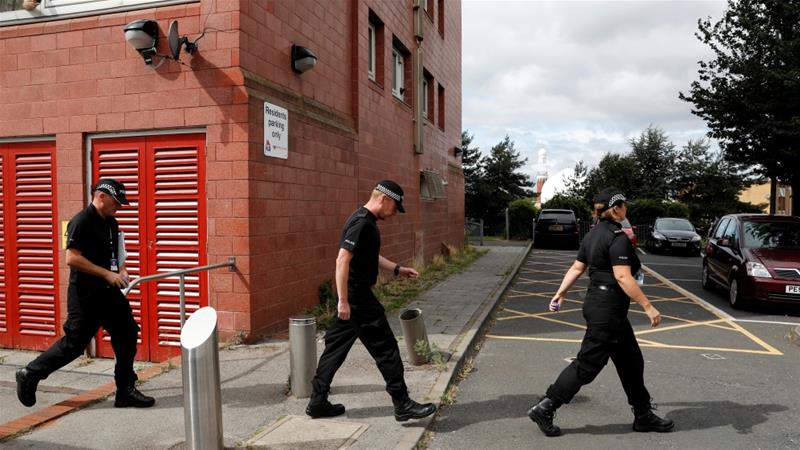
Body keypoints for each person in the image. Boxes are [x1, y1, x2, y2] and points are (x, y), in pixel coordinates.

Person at [528, 187, 673, 437]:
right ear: (616, 208)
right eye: (625, 205)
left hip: (602, 306)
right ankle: (546, 406)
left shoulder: (593, 235)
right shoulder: (618, 238)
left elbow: (576, 268)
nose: (627, 209)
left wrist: (560, 293)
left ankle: (643, 414)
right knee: (587, 365)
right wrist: (648, 307)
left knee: (631, 361)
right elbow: (623, 277)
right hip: (608, 311)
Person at [15, 179, 155, 408]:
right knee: (74, 345)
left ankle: (125, 389)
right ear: (101, 196)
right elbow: (72, 258)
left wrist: (120, 269)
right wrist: (106, 274)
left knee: (127, 333)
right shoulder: (81, 221)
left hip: (108, 293)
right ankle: (30, 374)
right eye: (116, 202)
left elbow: (115, 253)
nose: (118, 207)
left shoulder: (111, 223)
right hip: (85, 295)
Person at [306, 180, 437, 422]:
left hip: (353, 298)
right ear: (384, 199)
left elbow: (370, 255)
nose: (395, 213)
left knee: (334, 349)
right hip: (358, 299)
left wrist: (398, 269)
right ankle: (402, 403)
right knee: (386, 349)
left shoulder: (364, 220)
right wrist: (343, 301)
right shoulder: (361, 223)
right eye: (395, 207)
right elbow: (341, 260)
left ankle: (317, 401)